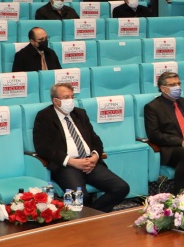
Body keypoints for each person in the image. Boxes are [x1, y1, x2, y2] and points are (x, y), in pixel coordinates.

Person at [31, 83, 131, 212]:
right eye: (66, 97)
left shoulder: (80, 113)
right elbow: (43, 147)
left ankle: (93, 213)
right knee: (81, 197)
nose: (70, 100)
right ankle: (89, 216)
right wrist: (72, 161)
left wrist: (95, 156)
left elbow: (95, 139)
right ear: (56, 101)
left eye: (72, 96)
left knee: (121, 187)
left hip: (90, 162)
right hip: (67, 166)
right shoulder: (44, 116)